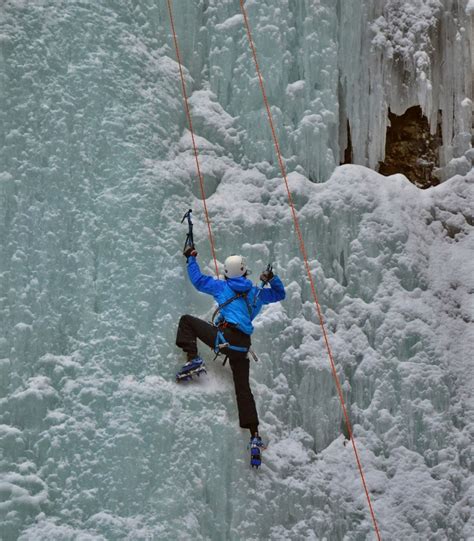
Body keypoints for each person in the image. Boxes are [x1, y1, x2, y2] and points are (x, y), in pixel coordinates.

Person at [175, 246, 285, 467]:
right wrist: (271, 278)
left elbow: (198, 281)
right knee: (243, 390)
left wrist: (191, 258)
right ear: (245, 272)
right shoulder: (255, 293)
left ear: (227, 273)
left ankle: (193, 359)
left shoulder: (222, 287)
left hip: (225, 339)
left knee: (187, 321)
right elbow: (279, 294)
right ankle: (254, 435)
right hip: (242, 347)